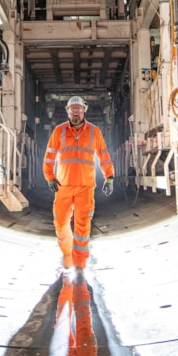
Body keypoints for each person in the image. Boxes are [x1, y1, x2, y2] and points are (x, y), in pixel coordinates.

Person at [43, 95, 114, 271]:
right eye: (72, 110)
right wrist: (50, 177)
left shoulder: (94, 131)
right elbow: (49, 156)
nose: (75, 114)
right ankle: (67, 252)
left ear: (84, 111)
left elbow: (103, 155)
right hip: (63, 186)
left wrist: (110, 177)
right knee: (60, 223)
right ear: (68, 111)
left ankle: (80, 264)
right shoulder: (59, 132)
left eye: (79, 110)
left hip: (85, 188)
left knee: (83, 226)